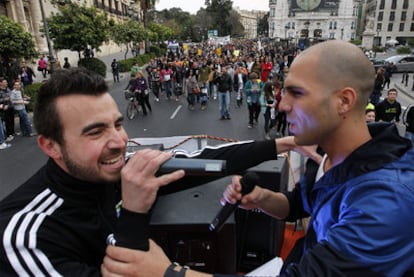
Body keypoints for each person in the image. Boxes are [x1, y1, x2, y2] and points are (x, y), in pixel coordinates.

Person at [100, 41, 414, 276]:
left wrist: (169, 273)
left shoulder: (387, 202)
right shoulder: (327, 153)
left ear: (343, 101)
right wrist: (262, 198)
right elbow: (296, 206)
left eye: (297, 93)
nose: (281, 105)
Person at [0, 67, 320, 276]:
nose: (119, 142)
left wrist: (282, 144)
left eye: (118, 124)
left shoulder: (116, 170)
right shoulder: (25, 236)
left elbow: (209, 161)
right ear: (51, 146)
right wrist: (133, 212)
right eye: (95, 132)